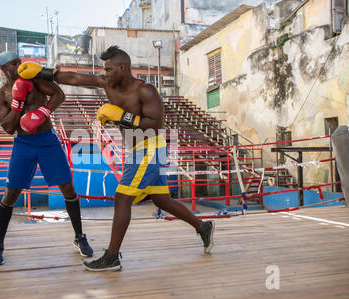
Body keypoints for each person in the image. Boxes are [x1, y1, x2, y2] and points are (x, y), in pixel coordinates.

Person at [17, 46, 215, 272]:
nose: (106, 73)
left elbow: (155, 124)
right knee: (162, 200)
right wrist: (42, 71)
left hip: (150, 147)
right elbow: (75, 77)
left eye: (109, 69)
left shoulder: (146, 91)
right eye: (105, 69)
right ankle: (203, 227)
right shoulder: (107, 83)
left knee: (122, 197)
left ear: (123, 67)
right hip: (136, 150)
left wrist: (122, 116)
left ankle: (112, 256)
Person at [0, 51, 93, 266]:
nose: (18, 65)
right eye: (13, 63)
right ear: (3, 69)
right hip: (24, 143)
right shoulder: (0, 96)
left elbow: (59, 95)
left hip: (47, 139)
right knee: (11, 194)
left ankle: (79, 237)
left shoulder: (35, 80)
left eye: (19, 61)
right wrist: (18, 103)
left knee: (67, 188)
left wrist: (44, 111)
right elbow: (8, 127)